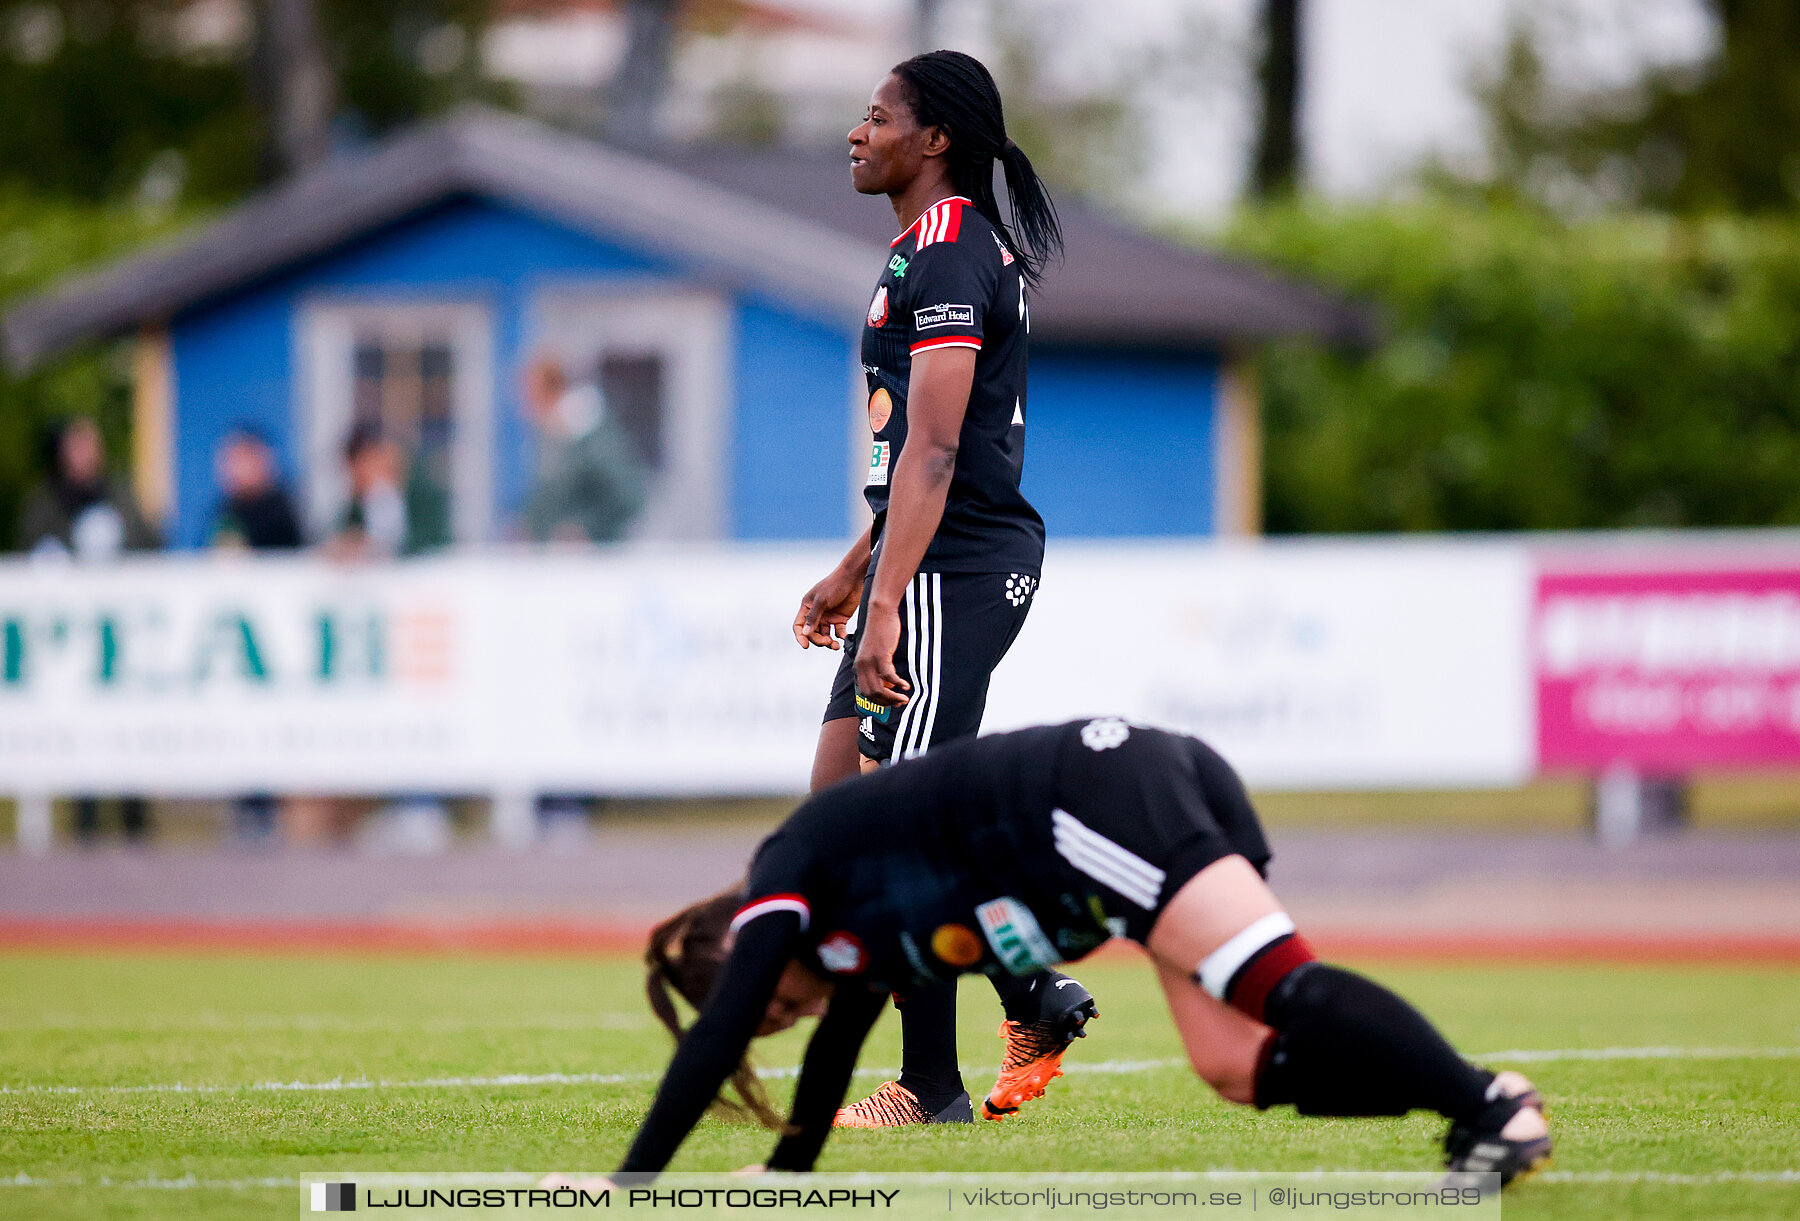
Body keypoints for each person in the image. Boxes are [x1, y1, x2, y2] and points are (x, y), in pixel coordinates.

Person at [614, 718, 1554, 1187]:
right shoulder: (852, 947)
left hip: (1098, 801)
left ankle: (1486, 1106)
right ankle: (1483, 1102)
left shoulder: (790, 865)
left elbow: (718, 1036)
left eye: (774, 1002)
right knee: (1229, 1061)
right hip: (1100, 843)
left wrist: (628, 1187)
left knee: (1273, 981)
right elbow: (831, 1063)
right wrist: (786, 1183)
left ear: (742, 937)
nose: (792, 1015)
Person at [790, 50, 1090, 1129]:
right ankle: (1029, 986)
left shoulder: (954, 250)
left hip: (954, 570)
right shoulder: (923, 251)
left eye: (876, 117)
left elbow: (935, 454)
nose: (856, 134)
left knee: (899, 821)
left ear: (936, 140)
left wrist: (883, 605)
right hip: (919, 562)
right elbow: (905, 465)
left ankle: (934, 1083)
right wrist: (850, 570)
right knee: (838, 817)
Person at [17, 417, 159, 842]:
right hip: (71, 643)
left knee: (128, 732)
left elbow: (150, 542)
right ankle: (85, 826)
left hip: (122, 639)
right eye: (77, 446)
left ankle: (136, 828)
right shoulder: (47, 501)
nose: (85, 454)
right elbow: (30, 551)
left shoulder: (118, 495)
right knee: (81, 731)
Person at [521, 356, 647, 544]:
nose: (525, 404)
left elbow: (628, 497)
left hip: (597, 562)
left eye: (531, 394)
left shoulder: (592, 436)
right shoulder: (553, 436)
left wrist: (586, 530)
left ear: (550, 391)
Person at [210, 425, 303, 552]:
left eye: (244, 458)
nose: (236, 468)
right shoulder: (224, 510)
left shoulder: (282, 511)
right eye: (231, 459)